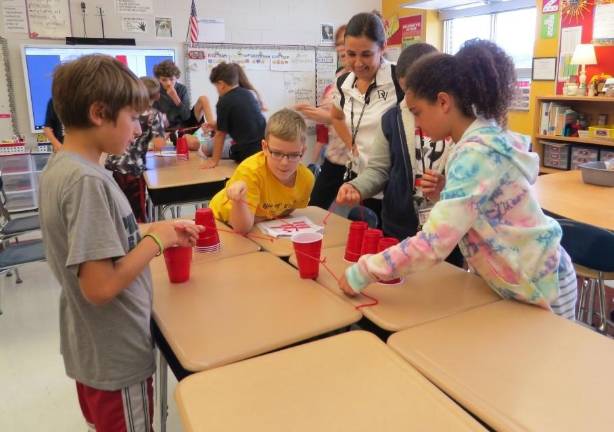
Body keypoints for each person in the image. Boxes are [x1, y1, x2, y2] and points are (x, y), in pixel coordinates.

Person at [339, 39, 577, 320]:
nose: (415, 124)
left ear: (443, 102)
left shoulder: (474, 152)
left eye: (417, 112)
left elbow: (433, 244)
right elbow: (482, 208)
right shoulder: (475, 140)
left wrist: (363, 271)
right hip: (519, 278)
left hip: (541, 281)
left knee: (545, 360)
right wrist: (444, 197)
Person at [38, 54, 202, 431]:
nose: (135, 129)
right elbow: (100, 286)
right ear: (99, 113)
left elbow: (107, 238)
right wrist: (156, 241)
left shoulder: (66, 167)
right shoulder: (88, 183)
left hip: (91, 345)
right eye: (131, 118)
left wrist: (152, 230)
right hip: (115, 351)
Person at [335, 43, 463, 267]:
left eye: (417, 93)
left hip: (445, 234)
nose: (409, 100)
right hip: (398, 229)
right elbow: (379, 168)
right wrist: (357, 186)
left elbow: (471, 191)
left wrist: (446, 190)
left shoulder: (461, 124)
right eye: (404, 90)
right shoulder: (392, 119)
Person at [325, 12, 404, 215]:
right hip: (364, 182)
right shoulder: (343, 83)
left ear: (383, 47)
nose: (358, 63)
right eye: (351, 54)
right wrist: (351, 145)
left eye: (366, 54)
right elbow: (336, 116)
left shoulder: (399, 78)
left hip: (396, 185)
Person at [209, 108, 315, 234]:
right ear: (264, 147)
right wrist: (239, 202)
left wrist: (261, 218)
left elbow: (288, 208)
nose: (284, 162)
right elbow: (241, 228)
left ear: (302, 152)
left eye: (293, 155)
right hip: (220, 223)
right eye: (276, 153)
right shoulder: (250, 172)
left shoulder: (306, 179)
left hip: (260, 226)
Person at [105, 77, 165, 222]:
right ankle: (137, 237)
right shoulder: (154, 114)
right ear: (155, 96)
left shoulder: (123, 110)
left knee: (118, 207)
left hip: (113, 164)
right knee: (136, 210)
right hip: (133, 168)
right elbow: (159, 144)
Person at [204, 62, 266, 168]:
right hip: (263, 149)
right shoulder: (249, 94)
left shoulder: (224, 101)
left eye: (216, 86)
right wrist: (216, 125)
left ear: (221, 84)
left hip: (247, 154)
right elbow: (242, 123)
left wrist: (214, 161)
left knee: (211, 148)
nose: (217, 90)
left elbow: (220, 135)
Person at [152, 60, 211, 150]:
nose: (168, 83)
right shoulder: (156, 92)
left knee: (204, 98)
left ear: (176, 78)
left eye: (171, 79)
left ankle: (212, 128)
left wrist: (175, 97)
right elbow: (153, 119)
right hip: (171, 130)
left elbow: (186, 116)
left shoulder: (182, 89)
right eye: (164, 80)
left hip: (187, 122)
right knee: (158, 145)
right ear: (159, 79)